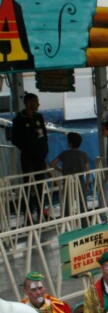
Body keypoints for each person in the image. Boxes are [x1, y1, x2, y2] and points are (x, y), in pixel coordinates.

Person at [11, 92, 49, 221]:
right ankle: (28, 215)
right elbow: (15, 139)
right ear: (29, 103)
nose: (38, 104)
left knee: (40, 186)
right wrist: (28, 149)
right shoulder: (19, 119)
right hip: (28, 159)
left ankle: (41, 213)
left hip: (40, 158)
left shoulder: (39, 117)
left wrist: (44, 151)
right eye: (36, 101)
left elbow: (44, 135)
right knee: (28, 186)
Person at [50, 132, 91, 218]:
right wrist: (87, 184)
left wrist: (60, 170)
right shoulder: (83, 155)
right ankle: (85, 224)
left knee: (67, 204)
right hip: (80, 181)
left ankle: (67, 224)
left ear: (70, 143)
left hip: (68, 181)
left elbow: (53, 163)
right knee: (82, 203)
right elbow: (87, 171)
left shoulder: (64, 154)